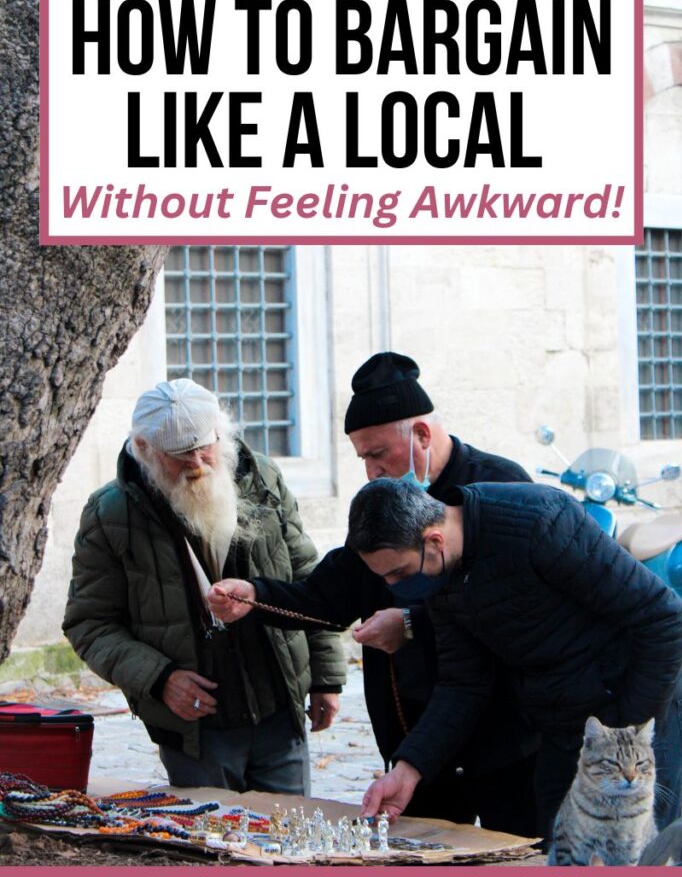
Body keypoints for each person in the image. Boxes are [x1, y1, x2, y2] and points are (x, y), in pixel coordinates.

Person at [209, 352, 542, 837]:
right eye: (362, 457)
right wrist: (255, 595)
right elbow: (329, 596)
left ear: (422, 436)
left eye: (378, 453)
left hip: (506, 737)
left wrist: (410, 623)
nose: (371, 470)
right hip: (417, 736)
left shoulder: (501, 486)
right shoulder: (381, 499)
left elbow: (517, 605)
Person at [342, 478, 682, 839]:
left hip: (636, 720)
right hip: (562, 727)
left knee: (636, 865)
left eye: (399, 572)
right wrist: (408, 769)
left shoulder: (541, 521)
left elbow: (664, 619)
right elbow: (463, 684)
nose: (394, 586)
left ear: (434, 541)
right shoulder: (442, 577)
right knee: (558, 856)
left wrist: (624, 737)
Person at [63, 378, 346, 795]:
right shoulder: (111, 514)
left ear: (222, 432)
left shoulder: (262, 479)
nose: (197, 462)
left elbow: (307, 579)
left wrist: (326, 678)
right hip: (196, 729)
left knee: (288, 845)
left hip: (278, 708)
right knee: (216, 849)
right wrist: (160, 679)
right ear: (144, 449)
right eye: (179, 454)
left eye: (205, 446)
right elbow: (89, 624)